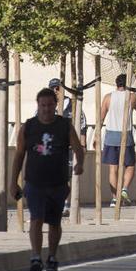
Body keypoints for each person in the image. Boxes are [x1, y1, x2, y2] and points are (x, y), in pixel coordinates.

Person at [10, 88, 85, 271]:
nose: (46, 109)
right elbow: (19, 155)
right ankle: (36, 256)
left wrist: (80, 164)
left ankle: (51, 256)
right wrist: (13, 181)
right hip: (34, 183)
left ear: (56, 105)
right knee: (36, 218)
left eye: (50, 105)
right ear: (38, 105)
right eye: (43, 105)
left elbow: (78, 148)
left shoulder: (64, 126)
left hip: (58, 183)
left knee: (54, 222)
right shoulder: (28, 127)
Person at [97, 73, 136, 207]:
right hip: (125, 134)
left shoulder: (108, 97)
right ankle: (124, 189)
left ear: (116, 84)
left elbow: (101, 117)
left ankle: (115, 199)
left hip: (111, 134)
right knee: (130, 165)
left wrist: (96, 136)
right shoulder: (132, 96)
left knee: (113, 169)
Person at [47, 78, 87, 217]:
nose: (55, 91)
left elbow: (82, 126)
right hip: (50, 148)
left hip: (68, 148)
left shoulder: (73, 105)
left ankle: (63, 204)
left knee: (65, 177)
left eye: (57, 88)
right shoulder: (48, 105)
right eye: (53, 88)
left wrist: (82, 145)